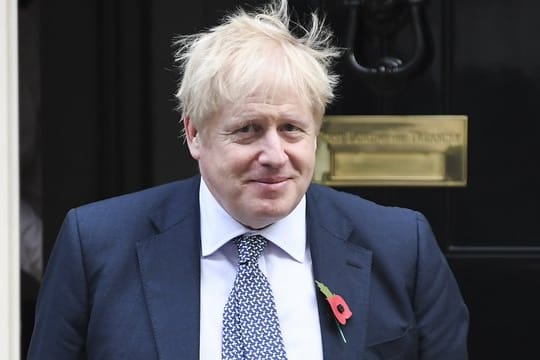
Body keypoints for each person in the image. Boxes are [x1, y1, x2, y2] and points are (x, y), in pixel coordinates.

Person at [28, 1, 468, 359]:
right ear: (194, 134)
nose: (275, 156)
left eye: (292, 129)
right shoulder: (98, 247)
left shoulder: (401, 247)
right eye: (248, 130)